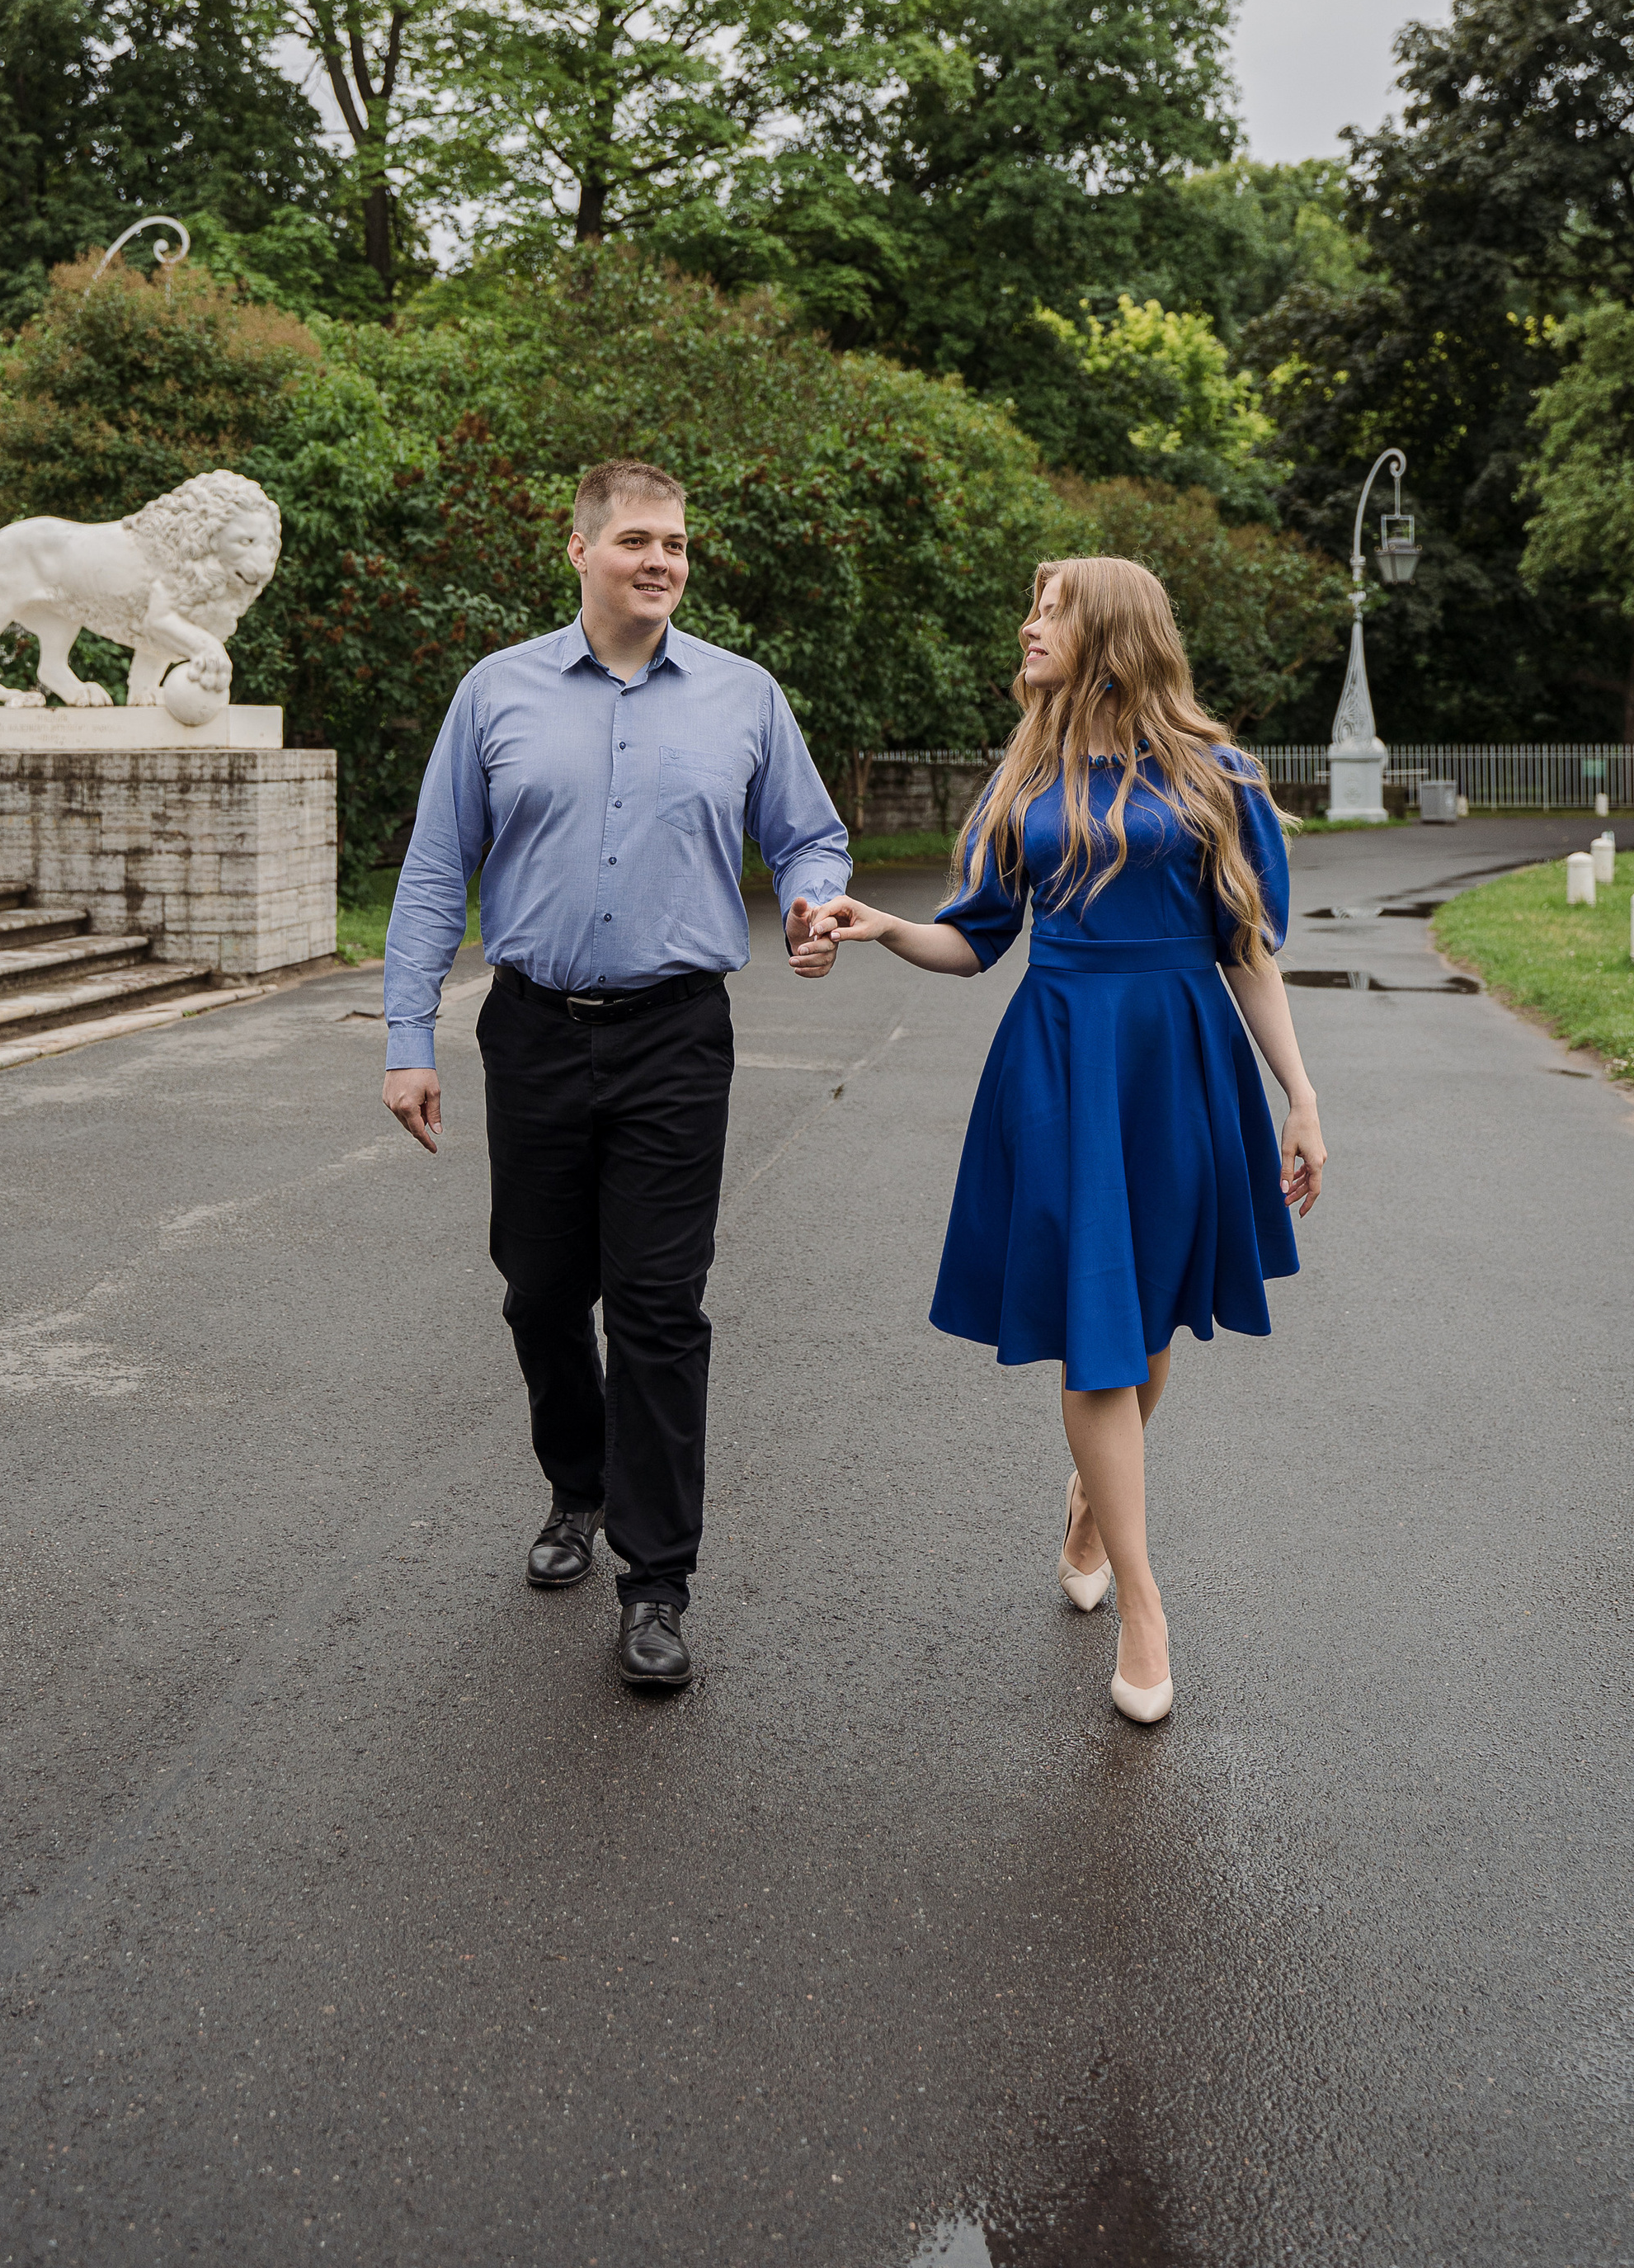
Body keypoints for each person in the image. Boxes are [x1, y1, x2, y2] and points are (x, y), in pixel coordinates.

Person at [813, 555, 1324, 1726]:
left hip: (1179, 1061)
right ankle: (1146, 1606)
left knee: (1148, 1323)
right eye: (1032, 610)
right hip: (1059, 1064)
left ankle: (1095, 1508)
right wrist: (884, 925)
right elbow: (974, 942)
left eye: (1053, 612)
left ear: (1114, 634)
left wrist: (1299, 1095)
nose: (1030, 628)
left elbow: (1248, 950)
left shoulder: (1217, 777)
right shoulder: (1026, 777)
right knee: (1099, 1331)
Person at [381, 458, 850, 1693]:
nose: (661, 560)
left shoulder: (744, 696)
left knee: (657, 1306)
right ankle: (576, 1485)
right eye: (638, 539)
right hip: (533, 1031)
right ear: (579, 548)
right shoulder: (497, 692)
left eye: (677, 544)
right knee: (540, 1294)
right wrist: (407, 1036)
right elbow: (436, 867)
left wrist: (813, 902)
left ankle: (656, 1584)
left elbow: (810, 834)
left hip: (676, 1036)